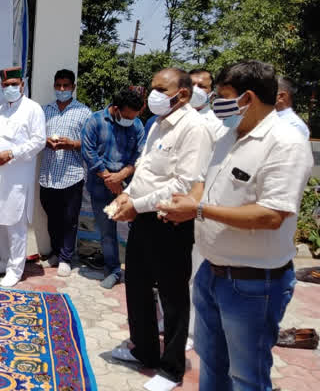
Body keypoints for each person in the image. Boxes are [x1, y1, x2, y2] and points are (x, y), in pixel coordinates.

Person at [162, 60, 313, 391]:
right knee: (211, 365)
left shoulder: (285, 142)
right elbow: (205, 179)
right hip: (211, 274)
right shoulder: (227, 135)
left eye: (223, 95)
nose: (216, 101)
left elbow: (272, 215)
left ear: (248, 98)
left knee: (247, 377)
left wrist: (198, 210)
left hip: (253, 285)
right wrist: (187, 203)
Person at [110, 68, 214, 389]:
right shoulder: (155, 124)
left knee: (172, 296)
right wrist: (128, 197)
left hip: (171, 221)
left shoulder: (194, 129)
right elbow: (144, 171)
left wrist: (137, 205)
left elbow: (184, 183)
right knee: (137, 284)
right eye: (152, 87)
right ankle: (144, 350)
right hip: (142, 217)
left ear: (181, 94)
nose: (152, 94)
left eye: (159, 88)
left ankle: (171, 368)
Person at [0, 67, 46, 288]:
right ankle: (4, 261)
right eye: (5, 85)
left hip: (17, 177)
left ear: (22, 84)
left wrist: (13, 153)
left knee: (15, 224)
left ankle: (15, 269)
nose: (10, 88)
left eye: (13, 84)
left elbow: (39, 141)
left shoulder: (32, 109)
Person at [80, 88, 145, 289]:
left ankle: (139, 272)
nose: (130, 120)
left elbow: (140, 156)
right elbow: (88, 150)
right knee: (107, 231)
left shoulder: (137, 124)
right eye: (126, 116)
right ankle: (114, 270)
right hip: (100, 185)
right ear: (116, 109)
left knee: (137, 231)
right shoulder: (95, 120)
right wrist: (108, 177)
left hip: (129, 187)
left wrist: (121, 177)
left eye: (133, 117)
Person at [37, 69, 91, 277]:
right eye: (58, 85)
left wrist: (73, 144)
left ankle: (66, 258)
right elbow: (35, 137)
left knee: (69, 219)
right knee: (51, 216)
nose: (61, 89)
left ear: (73, 87)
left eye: (66, 86)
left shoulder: (84, 112)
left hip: (71, 174)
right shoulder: (44, 111)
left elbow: (90, 143)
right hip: (48, 174)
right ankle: (56, 252)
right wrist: (45, 142)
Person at [189, 68, 224, 137]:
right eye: (190, 85)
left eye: (201, 87)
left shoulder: (217, 123)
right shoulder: (169, 115)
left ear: (211, 95)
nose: (194, 89)